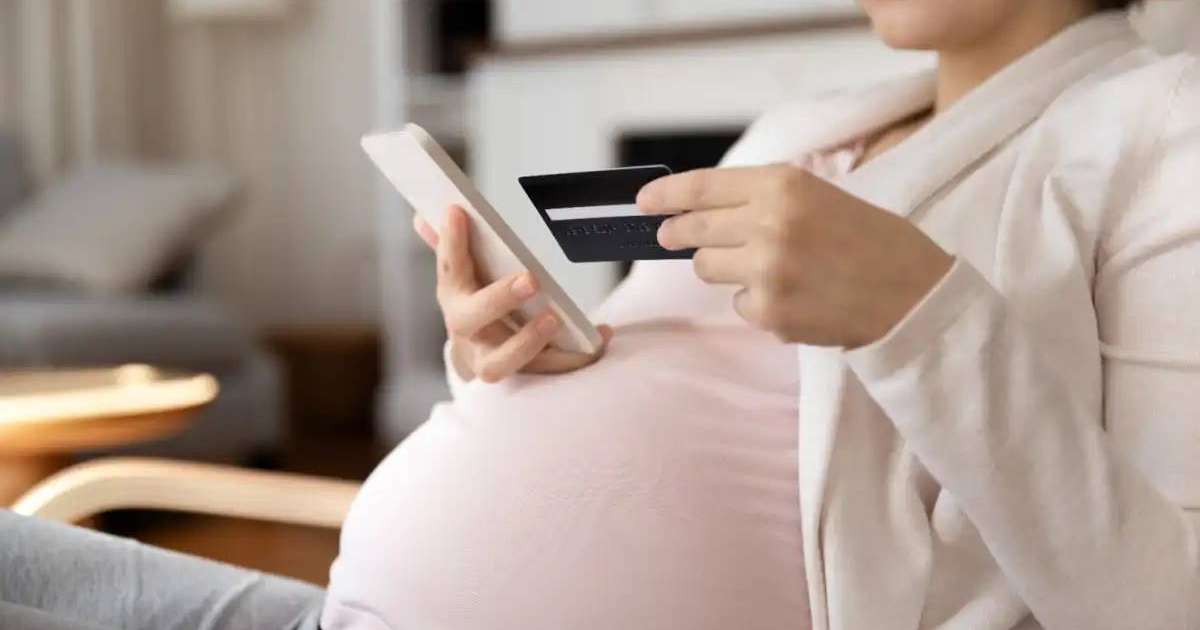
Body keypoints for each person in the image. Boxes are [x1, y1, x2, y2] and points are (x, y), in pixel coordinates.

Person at [2, 1, 1196, 629]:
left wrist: (917, 316)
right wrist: (503, 358)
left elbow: (1163, 605)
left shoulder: (1159, 130)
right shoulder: (807, 123)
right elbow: (647, 403)